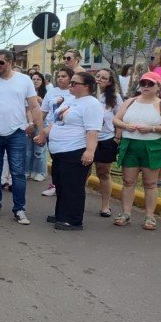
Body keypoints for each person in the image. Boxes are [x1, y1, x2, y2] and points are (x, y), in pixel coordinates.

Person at [0, 49, 45, 225]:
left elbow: (34, 107)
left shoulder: (24, 80)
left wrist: (40, 130)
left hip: (17, 133)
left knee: (18, 173)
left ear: (10, 62)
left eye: (0, 62)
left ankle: (19, 209)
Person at [43, 72, 103, 230]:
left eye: (74, 83)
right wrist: (43, 134)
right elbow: (56, 122)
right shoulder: (70, 100)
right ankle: (62, 214)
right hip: (59, 151)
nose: (71, 85)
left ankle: (73, 220)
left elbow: (92, 131)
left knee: (73, 186)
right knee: (61, 184)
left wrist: (90, 151)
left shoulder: (92, 104)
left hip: (75, 150)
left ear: (86, 87)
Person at [112, 71, 161, 229]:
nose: (146, 87)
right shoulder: (131, 101)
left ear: (158, 86)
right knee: (128, 181)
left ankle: (149, 216)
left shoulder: (160, 104)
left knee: (150, 183)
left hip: (152, 146)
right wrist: (127, 126)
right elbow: (116, 119)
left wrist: (152, 128)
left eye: (150, 84)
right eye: (143, 83)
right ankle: (126, 213)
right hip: (130, 145)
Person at [39, 68, 75, 196]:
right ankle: (55, 185)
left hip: (68, 133)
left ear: (71, 78)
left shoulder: (74, 93)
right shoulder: (51, 92)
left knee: (65, 160)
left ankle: (65, 186)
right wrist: (39, 129)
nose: (60, 78)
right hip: (51, 131)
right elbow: (43, 111)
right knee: (55, 159)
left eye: (63, 76)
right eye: (58, 76)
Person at [93, 68, 123, 217]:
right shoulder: (89, 94)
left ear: (110, 81)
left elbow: (120, 118)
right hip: (86, 139)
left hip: (106, 139)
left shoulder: (115, 97)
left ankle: (105, 206)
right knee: (82, 172)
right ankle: (77, 203)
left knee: (103, 172)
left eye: (104, 78)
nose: (99, 79)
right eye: (98, 76)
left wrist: (117, 138)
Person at [26, 72, 49, 181]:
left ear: (42, 81)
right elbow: (27, 109)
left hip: (42, 124)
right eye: (33, 79)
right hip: (29, 124)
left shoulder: (47, 93)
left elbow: (49, 109)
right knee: (28, 150)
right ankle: (28, 171)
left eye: (38, 79)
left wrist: (41, 100)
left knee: (39, 149)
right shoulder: (27, 93)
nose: (35, 81)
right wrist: (31, 122)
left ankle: (40, 172)